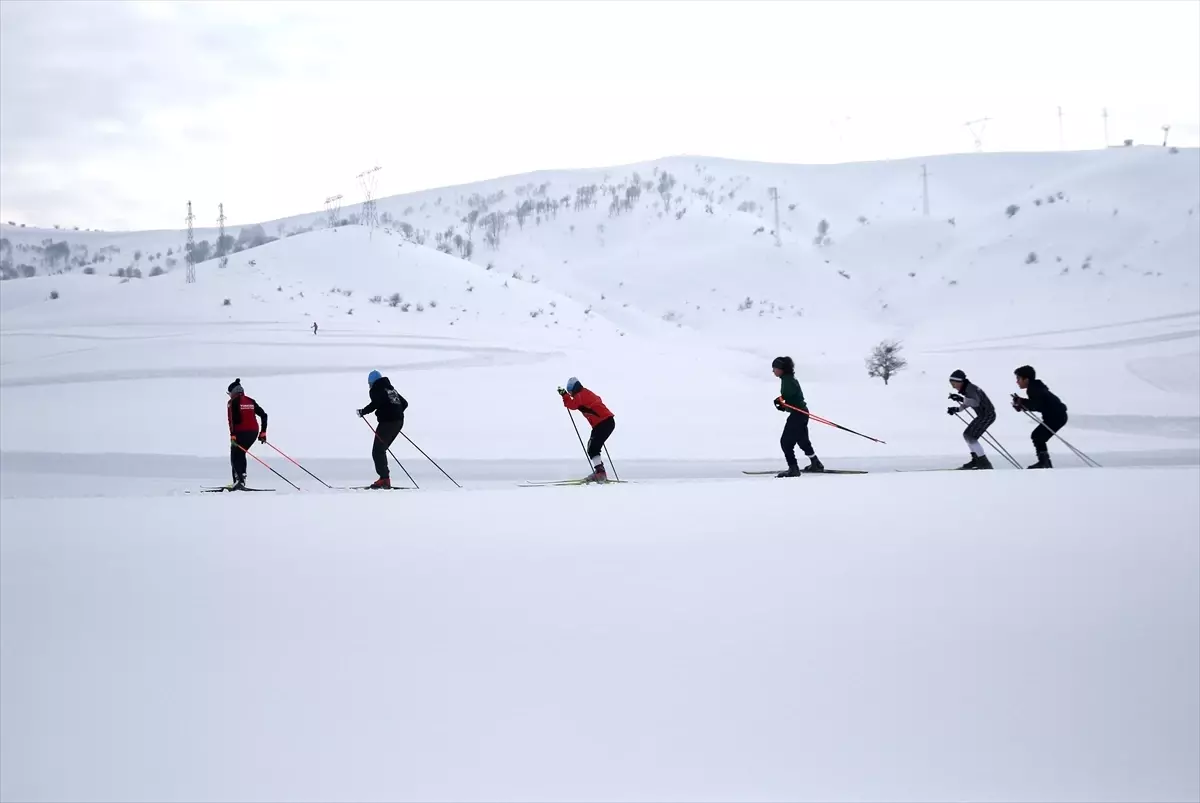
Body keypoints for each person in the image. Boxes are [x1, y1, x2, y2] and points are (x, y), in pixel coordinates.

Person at [772, 356, 824, 477]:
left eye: (774, 368)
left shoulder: (787, 381)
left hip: (798, 415)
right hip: (802, 413)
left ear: (781, 368)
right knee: (802, 440)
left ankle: (793, 468)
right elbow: (791, 397)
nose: (773, 371)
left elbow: (790, 401)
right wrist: (782, 401)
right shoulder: (788, 379)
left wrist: (782, 406)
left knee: (785, 442)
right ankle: (816, 463)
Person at [357, 369, 408, 489]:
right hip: (398, 422)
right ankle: (384, 478)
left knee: (378, 451)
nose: (369, 386)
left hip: (387, 423)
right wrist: (396, 413)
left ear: (372, 382)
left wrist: (362, 412)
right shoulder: (390, 389)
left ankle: (384, 479)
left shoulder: (376, 389)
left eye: (369, 383)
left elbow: (376, 403)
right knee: (381, 450)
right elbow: (404, 403)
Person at [558, 377, 615, 482]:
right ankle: (599, 472)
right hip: (605, 423)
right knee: (592, 447)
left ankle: (600, 473)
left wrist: (564, 395)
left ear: (573, 389)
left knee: (593, 448)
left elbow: (572, 405)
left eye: (570, 391)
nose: (570, 394)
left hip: (604, 423)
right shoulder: (585, 392)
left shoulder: (580, 395)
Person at [1011, 365, 1069, 469]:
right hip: (1057, 415)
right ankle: (1044, 462)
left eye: (1018, 379)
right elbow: (1038, 404)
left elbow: (1037, 405)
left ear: (1026, 379)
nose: (1017, 382)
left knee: (1038, 436)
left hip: (1056, 416)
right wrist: (1022, 403)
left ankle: (1044, 463)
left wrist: (1022, 403)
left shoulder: (1033, 389)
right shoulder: (1035, 387)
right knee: (1038, 436)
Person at [947, 369, 995, 470]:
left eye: (953, 383)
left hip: (987, 415)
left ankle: (983, 463)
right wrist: (957, 409)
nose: (953, 386)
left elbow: (975, 402)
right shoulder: (967, 388)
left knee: (970, 436)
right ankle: (977, 460)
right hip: (983, 415)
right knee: (968, 435)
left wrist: (960, 398)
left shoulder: (971, 389)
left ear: (960, 381)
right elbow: (969, 402)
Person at [227, 378, 268, 489]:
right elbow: (264, 415)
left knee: (235, 455)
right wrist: (263, 432)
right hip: (253, 433)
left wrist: (233, 435)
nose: (229, 395)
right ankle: (242, 479)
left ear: (233, 392)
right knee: (241, 453)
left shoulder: (232, 402)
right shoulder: (250, 401)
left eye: (229, 393)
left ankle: (238, 481)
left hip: (240, 432)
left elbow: (232, 420)